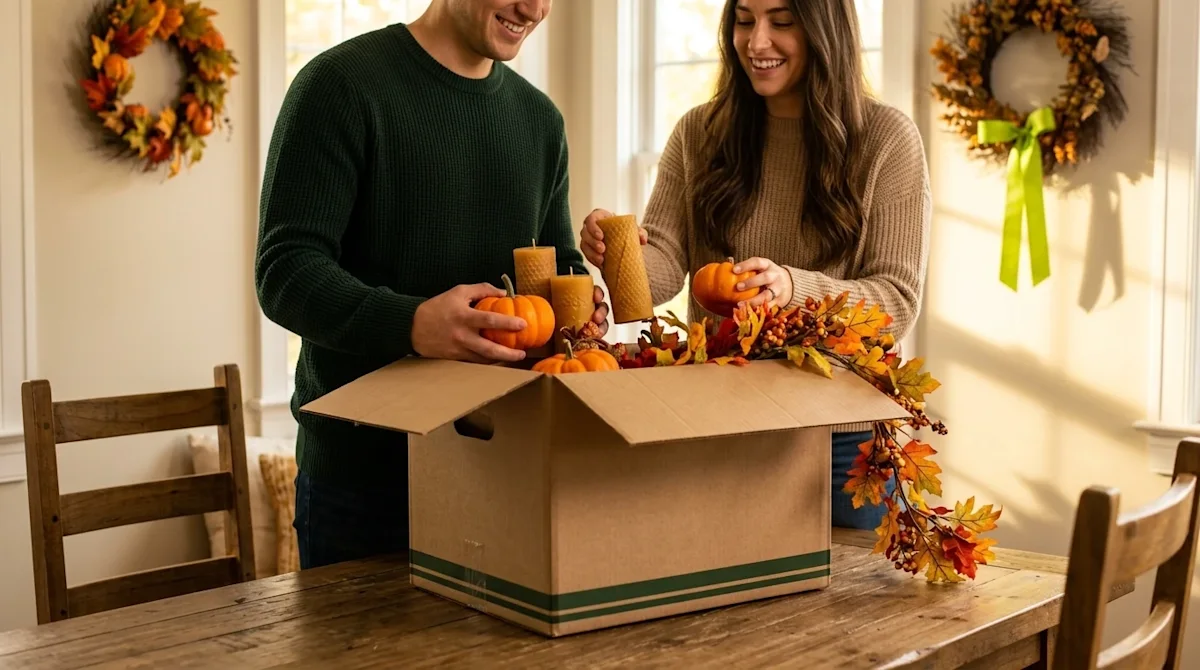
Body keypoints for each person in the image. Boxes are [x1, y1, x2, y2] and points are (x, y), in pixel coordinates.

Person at [255, 0, 608, 569]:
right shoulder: (339, 85)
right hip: (366, 487)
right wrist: (413, 325)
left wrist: (583, 300)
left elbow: (557, 264)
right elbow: (285, 271)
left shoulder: (540, 122)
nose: (535, 8)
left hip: (505, 472)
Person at [580, 0, 930, 530]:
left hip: (842, 441)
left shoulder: (885, 140)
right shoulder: (700, 132)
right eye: (745, 20)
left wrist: (791, 287)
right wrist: (619, 254)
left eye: (781, 22)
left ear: (823, 30)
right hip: (721, 424)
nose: (757, 42)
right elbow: (666, 267)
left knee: (856, 608)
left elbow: (896, 299)